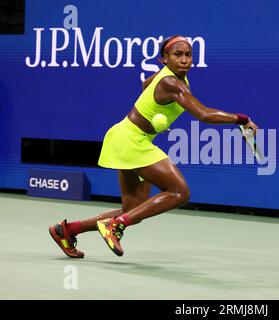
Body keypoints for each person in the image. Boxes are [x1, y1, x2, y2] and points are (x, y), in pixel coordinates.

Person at [49, 35, 258, 258]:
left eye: (188, 55)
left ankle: (68, 230)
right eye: (178, 55)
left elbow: (145, 85)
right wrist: (242, 119)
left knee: (133, 212)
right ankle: (115, 225)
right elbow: (204, 114)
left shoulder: (168, 77)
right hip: (132, 139)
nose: (185, 60)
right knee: (180, 192)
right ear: (164, 58)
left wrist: (154, 116)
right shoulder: (171, 83)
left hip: (125, 135)